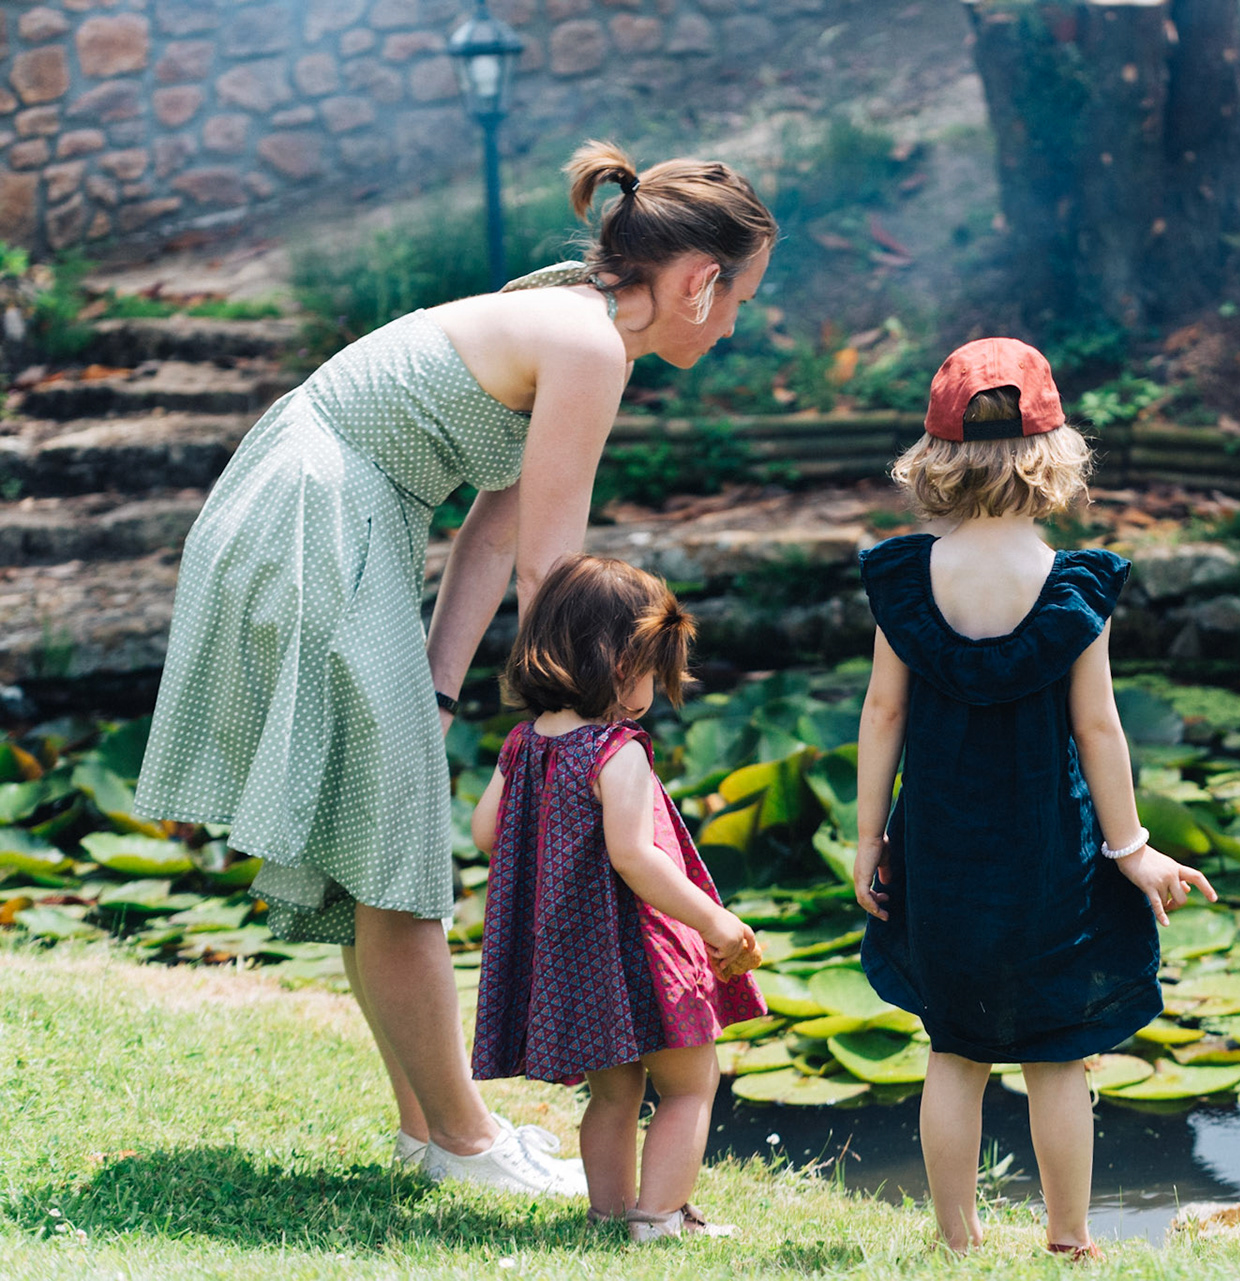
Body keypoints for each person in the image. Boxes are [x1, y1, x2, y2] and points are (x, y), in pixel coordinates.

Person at [134, 139, 776, 1193]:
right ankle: (466, 1142)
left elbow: (493, 529)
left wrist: (438, 691)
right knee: (394, 853)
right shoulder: (591, 344)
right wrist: (585, 729)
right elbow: (552, 571)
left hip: (322, 502)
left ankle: (427, 1130)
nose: (733, 325)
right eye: (739, 300)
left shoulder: (579, 313)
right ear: (701, 281)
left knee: (374, 845)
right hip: (319, 516)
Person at [852, 338, 1217, 1258]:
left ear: (934, 456)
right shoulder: (1071, 587)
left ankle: (956, 1241)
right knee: (1057, 1055)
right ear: (1055, 455)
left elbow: (883, 713)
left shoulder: (906, 581)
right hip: (1050, 853)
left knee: (955, 1050)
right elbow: (1098, 728)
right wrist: (1131, 847)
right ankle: (1068, 1238)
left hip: (940, 851)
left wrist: (867, 840)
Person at [469, 554, 765, 1241]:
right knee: (689, 1085)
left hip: (578, 960)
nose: (653, 690)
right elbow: (635, 857)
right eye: (653, 673)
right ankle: (658, 1218)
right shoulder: (615, 748)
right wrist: (715, 920)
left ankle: (607, 1215)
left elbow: (486, 831)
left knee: (613, 1094)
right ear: (622, 664)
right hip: (643, 953)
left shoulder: (523, 743)